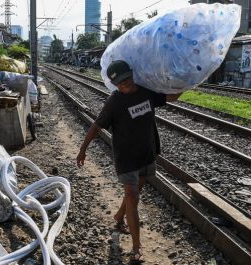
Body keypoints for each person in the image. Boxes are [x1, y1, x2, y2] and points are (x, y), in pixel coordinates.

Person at [76, 60, 182, 262]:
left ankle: (118, 217)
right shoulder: (114, 102)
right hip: (126, 157)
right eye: (120, 84)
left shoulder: (145, 92)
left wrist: (187, 83)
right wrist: (82, 150)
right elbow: (96, 126)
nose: (125, 85)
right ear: (115, 85)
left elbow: (170, 97)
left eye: (127, 79)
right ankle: (136, 247)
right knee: (133, 196)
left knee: (136, 191)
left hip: (147, 152)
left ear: (132, 75)